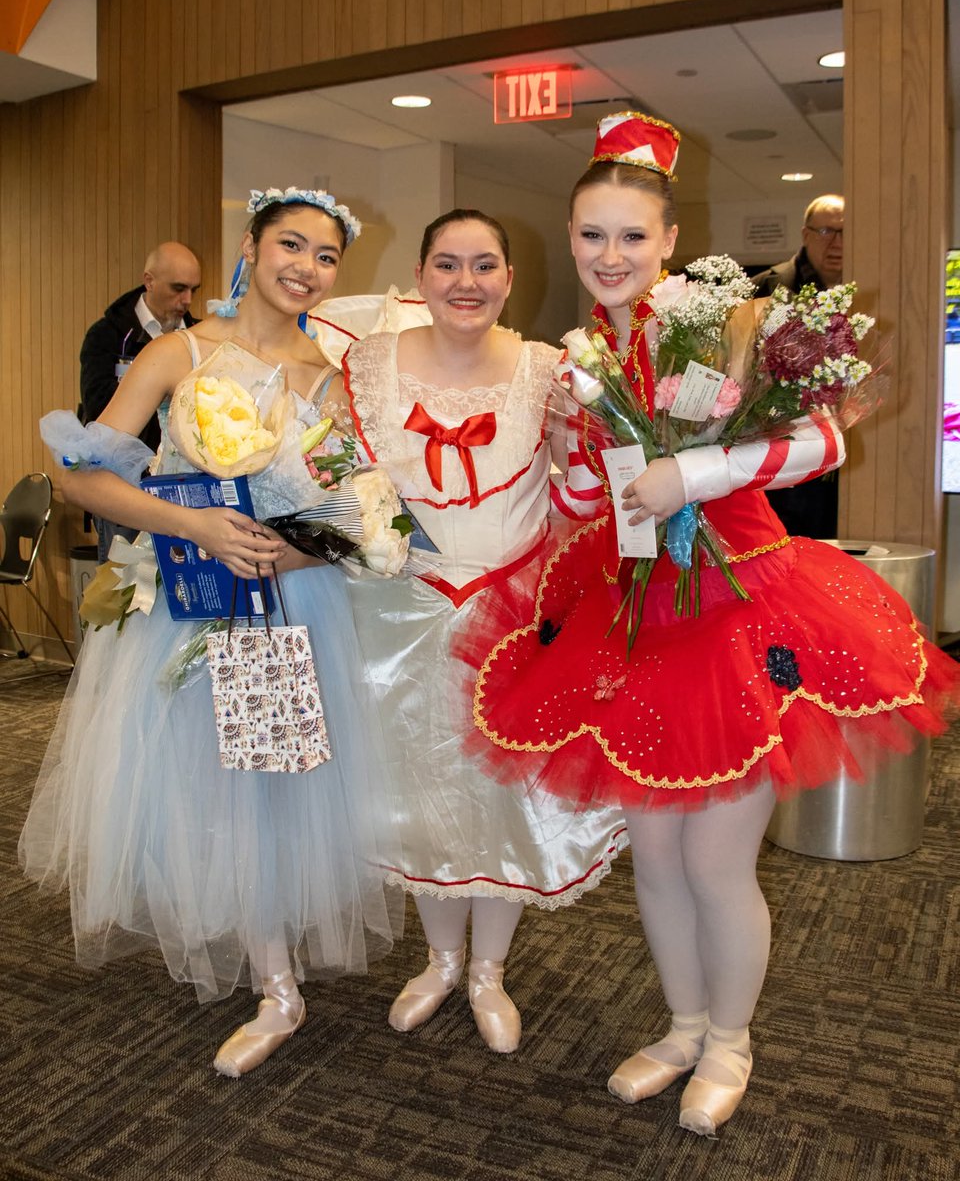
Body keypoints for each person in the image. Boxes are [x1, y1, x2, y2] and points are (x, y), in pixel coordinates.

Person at [468, 115, 960, 1133]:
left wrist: (692, 470)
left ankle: (732, 1042)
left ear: (668, 237)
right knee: (654, 858)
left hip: (744, 606)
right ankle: (685, 1024)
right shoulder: (581, 360)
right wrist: (565, 475)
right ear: (570, 238)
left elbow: (822, 441)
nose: (611, 257)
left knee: (713, 861)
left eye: (632, 237)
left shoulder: (727, 324)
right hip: (640, 614)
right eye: (591, 236)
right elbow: (582, 499)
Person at [20, 188, 403, 1077]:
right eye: (290, 245)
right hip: (187, 601)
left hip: (283, 610)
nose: (305, 267)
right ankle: (264, 966)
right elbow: (83, 478)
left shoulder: (329, 379)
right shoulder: (178, 353)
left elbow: (356, 515)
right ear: (250, 246)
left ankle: (277, 986)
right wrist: (191, 525)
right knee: (199, 782)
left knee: (267, 787)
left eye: (325, 256)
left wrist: (296, 554)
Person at [321, 210, 627, 1054]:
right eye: (447, 264)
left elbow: (583, 500)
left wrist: (585, 450)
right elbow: (332, 475)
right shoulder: (365, 364)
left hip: (513, 617)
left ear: (509, 278)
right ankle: (440, 960)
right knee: (416, 788)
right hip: (396, 614)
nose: (466, 281)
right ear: (419, 277)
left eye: (484, 264)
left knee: (504, 797)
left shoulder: (548, 371)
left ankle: (489, 970)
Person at [80, 241, 202, 559]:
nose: (187, 300)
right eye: (178, 288)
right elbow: (100, 410)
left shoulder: (201, 337)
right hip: (126, 486)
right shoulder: (107, 336)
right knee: (125, 582)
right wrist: (155, 389)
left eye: (193, 289)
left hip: (187, 487)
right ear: (149, 280)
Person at [750, 196, 845, 538]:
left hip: (845, 467)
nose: (838, 242)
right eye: (827, 231)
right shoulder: (769, 287)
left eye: (846, 232)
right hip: (783, 459)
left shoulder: (867, 291)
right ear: (805, 234)